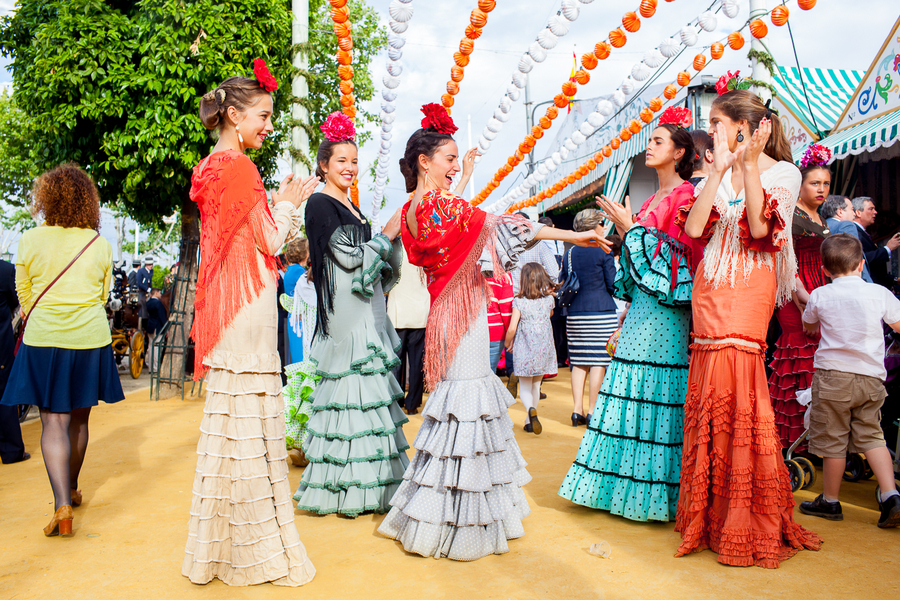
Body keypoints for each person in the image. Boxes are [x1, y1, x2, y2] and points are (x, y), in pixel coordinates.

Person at [377, 104, 607, 561]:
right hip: (465, 315)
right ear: (425, 161)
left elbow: (414, 233)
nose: (456, 165)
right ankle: (461, 519)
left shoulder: (409, 210)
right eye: (450, 158)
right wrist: (573, 236)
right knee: (467, 404)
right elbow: (505, 227)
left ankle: (440, 511)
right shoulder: (443, 207)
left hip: (446, 311)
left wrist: (464, 182)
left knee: (455, 406)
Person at [182, 64, 317, 586]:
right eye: (262, 116)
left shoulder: (210, 166)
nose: (267, 126)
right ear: (234, 116)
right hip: (249, 301)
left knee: (230, 429)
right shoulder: (239, 168)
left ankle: (221, 550)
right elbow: (267, 239)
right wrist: (287, 204)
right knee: (252, 430)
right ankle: (252, 548)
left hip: (227, 303)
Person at [676, 87, 821, 567]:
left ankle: (747, 513)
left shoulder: (784, 171)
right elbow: (695, 231)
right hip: (710, 286)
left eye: (716, 123)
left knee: (741, 392)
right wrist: (717, 172)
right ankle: (712, 516)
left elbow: (760, 230)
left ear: (743, 126)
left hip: (749, 287)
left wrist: (749, 166)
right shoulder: (711, 172)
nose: (710, 132)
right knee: (710, 394)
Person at [558, 108, 701, 522]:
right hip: (640, 307)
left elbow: (676, 261)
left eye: (659, 141)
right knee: (629, 386)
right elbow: (642, 260)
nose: (650, 146)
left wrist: (631, 228)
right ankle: (620, 489)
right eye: (651, 140)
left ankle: (653, 497)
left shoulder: (686, 197)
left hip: (666, 309)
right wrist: (628, 229)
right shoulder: (654, 198)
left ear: (679, 152)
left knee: (654, 388)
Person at [293, 111, 410, 517]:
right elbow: (346, 258)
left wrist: (387, 242)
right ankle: (344, 490)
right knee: (349, 393)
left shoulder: (351, 204)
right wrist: (388, 234)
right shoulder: (320, 203)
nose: (349, 168)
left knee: (366, 394)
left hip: (363, 307)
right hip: (345, 311)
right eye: (341, 160)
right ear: (324, 164)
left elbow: (369, 259)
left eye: (354, 161)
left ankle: (374, 487)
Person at [0, 164, 125, 536]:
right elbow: (102, 296)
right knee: (80, 421)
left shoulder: (30, 239)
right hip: (89, 339)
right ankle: (71, 486)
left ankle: (61, 505)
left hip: (43, 338)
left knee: (53, 421)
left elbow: (23, 294)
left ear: (46, 199)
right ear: (89, 202)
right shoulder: (99, 244)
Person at [798, 234, 900, 527]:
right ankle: (891, 495)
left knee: (834, 440)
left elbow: (808, 324)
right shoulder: (879, 293)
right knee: (872, 435)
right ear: (861, 263)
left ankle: (830, 501)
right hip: (870, 377)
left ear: (826, 270)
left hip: (833, 377)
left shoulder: (820, 294)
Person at [768, 145, 832, 450]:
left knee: (817, 359)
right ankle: (791, 437)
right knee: (798, 357)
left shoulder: (820, 217)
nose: (821, 189)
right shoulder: (790, 212)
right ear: (801, 184)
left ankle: (815, 437)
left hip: (818, 288)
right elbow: (782, 254)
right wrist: (797, 292)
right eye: (814, 183)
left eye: (825, 184)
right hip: (794, 289)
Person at [561, 208, 618, 427]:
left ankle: (577, 411)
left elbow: (564, 279)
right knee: (598, 362)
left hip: (575, 313)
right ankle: (593, 411)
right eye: (602, 224)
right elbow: (612, 283)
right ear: (594, 226)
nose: (604, 228)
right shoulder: (603, 250)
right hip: (601, 311)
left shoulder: (570, 252)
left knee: (579, 361)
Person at [506, 263, 557, 434]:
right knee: (536, 386)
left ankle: (529, 411)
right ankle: (530, 420)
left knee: (525, 387)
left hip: (525, 349)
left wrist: (507, 343)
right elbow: (550, 315)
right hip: (544, 349)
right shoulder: (549, 300)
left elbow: (512, 328)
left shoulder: (519, 301)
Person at [280, 267, 317, 468]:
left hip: (307, 349)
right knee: (319, 399)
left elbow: (298, 316)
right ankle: (314, 448)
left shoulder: (303, 281)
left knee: (303, 397)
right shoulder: (327, 278)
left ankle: (299, 446)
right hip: (325, 347)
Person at [386, 250, 429, 415]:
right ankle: (412, 404)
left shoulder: (394, 249)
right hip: (420, 310)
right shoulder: (424, 247)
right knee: (417, 361)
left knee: (397, 362)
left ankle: (396, 402)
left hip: (398, 310)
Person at [0, 259, 28, 466]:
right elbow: (14, 301)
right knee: (4, 395)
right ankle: (11, 450)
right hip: (1, 346)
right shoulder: (5, 270)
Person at [850, 196, 900, 289]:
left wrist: (894, 280)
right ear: (858, 213)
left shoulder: (862, 232)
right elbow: (863, 258)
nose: (875, 212)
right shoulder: (854, 232)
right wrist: (887, 248)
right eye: (871, 209)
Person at [822, 195, 873, 282]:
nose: (854, 214)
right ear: (840, 212)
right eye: (852, 209)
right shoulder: (846, 225)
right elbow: (853, 255)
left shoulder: (820, 226)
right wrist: (867, 283)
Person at [281, 237, 309, 364]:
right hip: (301, 320)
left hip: (295, 317)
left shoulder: (290, 270)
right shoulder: (299, 271)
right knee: (302, 357)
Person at [487, 271, 514, 372]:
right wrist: (510, 335)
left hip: (469, 331)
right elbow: (506, 309)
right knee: (490, 372)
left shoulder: (466, 271)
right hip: (494, 331)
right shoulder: (503, 275)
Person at [145, 288, 168, 374]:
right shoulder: (158, 303)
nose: (161, 294)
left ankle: (151, 368)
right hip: (158, 327)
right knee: (157, 348)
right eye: (159, 292)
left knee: (151, 347)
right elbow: (162, 317)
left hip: (150, 326)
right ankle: (155, 368)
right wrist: (167, 328)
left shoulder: (148, 303)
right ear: (156, 293)